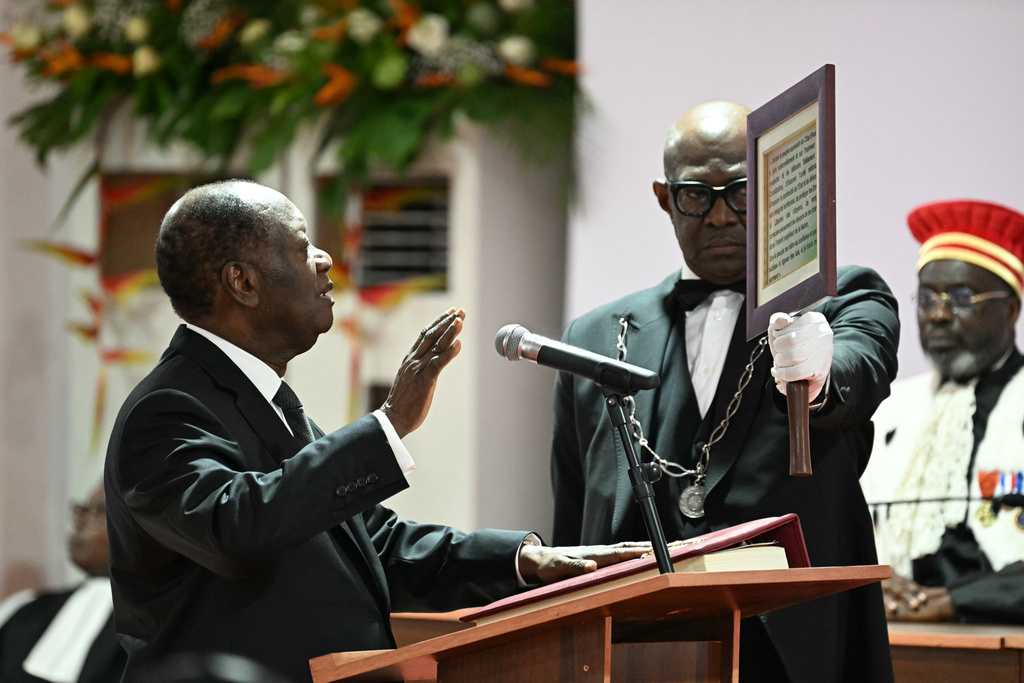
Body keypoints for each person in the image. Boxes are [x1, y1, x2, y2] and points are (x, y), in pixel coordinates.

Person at [103, 179, 647, 683]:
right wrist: (389, 424)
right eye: (301, 246)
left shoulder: (263, 400)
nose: (325, 260)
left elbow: (372, 542)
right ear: (242, 282)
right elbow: (236, 528)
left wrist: (524, 559)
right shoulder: (169, 408)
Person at [549, 101, 899, 682]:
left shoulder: (843, 302)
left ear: (775, 194)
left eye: (741, 193)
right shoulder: (591, 337)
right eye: (695, 195)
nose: (719, 217)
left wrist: (819, 372)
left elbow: (859, 368)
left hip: (792, 647)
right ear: (664, 198)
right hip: (630, 646)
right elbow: (571, 513)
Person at [861, 199, 1024, 624]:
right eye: (927, 297)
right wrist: (873, 582)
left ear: (1011, 309)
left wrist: (956, 601)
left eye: (962, 298)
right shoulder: (887, 409)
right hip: (899, 635)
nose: (938, 315)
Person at [0, 485, 126, 683]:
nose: (81, 522)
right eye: (82, 510)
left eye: (99, 513)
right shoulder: (23, 607)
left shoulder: (159, 623)